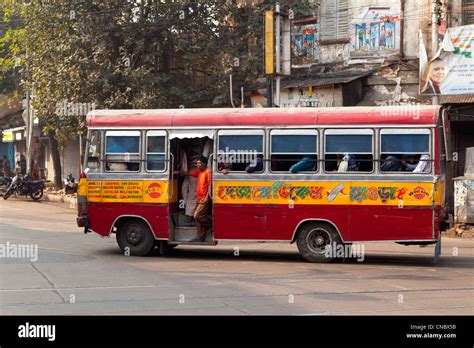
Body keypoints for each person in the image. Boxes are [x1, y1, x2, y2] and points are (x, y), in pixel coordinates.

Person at [183, 156, 212, 242]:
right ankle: (200, 237)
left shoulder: (208, 172)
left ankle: (211, 224)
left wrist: (207, 197)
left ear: (205, 164)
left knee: (197, 216)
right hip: (199, 199)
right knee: (199, 219)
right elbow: (190, 173)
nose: (198, 165)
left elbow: (210, 185)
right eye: (197, 163)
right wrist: (182, 172)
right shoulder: (199, 171)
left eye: (199, 163)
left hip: (204, 199)